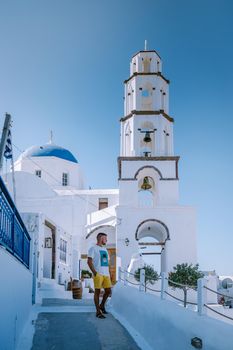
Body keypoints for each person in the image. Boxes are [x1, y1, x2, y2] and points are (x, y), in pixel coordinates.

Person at [87, 232, 112, 318]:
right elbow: (89, 261)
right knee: (97, 292)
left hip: (106, 274)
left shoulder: (105, 250)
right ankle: (98, 311)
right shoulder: (92, 248)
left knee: (108, 291)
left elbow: (107, 263)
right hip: (98, 274)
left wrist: (109, 273)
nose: (106, 240)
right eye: (105, 238)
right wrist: (95, 273)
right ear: (101, 238)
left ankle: (102, 305)